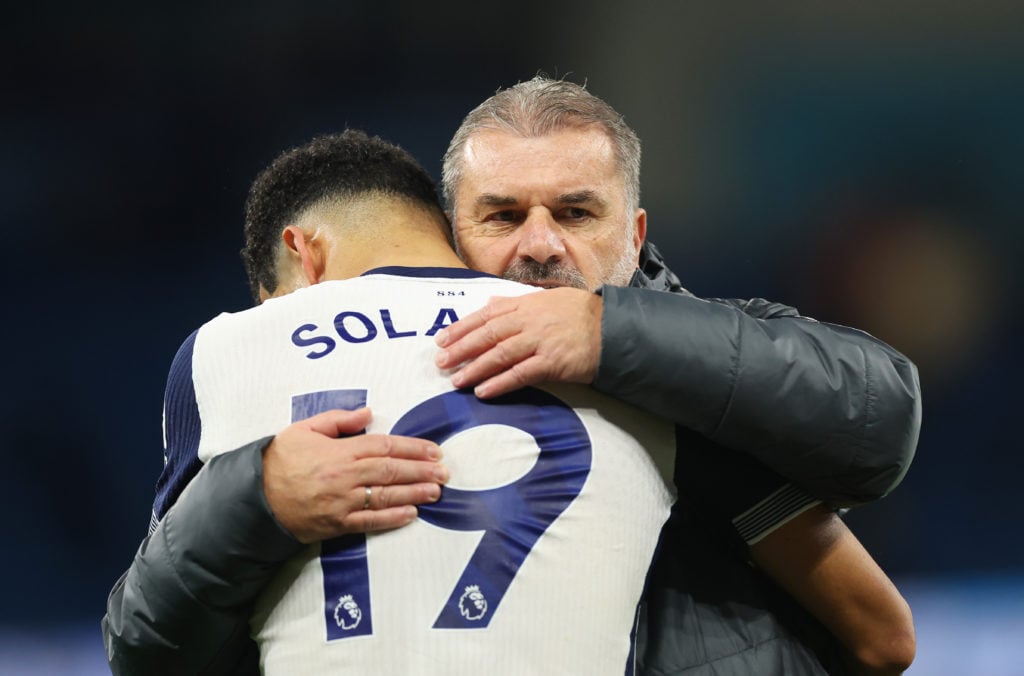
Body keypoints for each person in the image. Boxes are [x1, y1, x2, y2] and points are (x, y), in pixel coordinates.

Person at [104, 76, 920, 674]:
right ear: (449, 230)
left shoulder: (677, 374)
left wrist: (613, 337)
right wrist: (258, 497)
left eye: (575, 212)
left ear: (633, 234)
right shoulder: (333, 376)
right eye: (502, 215)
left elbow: (880, 437)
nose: (538, 246)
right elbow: (150, 644)